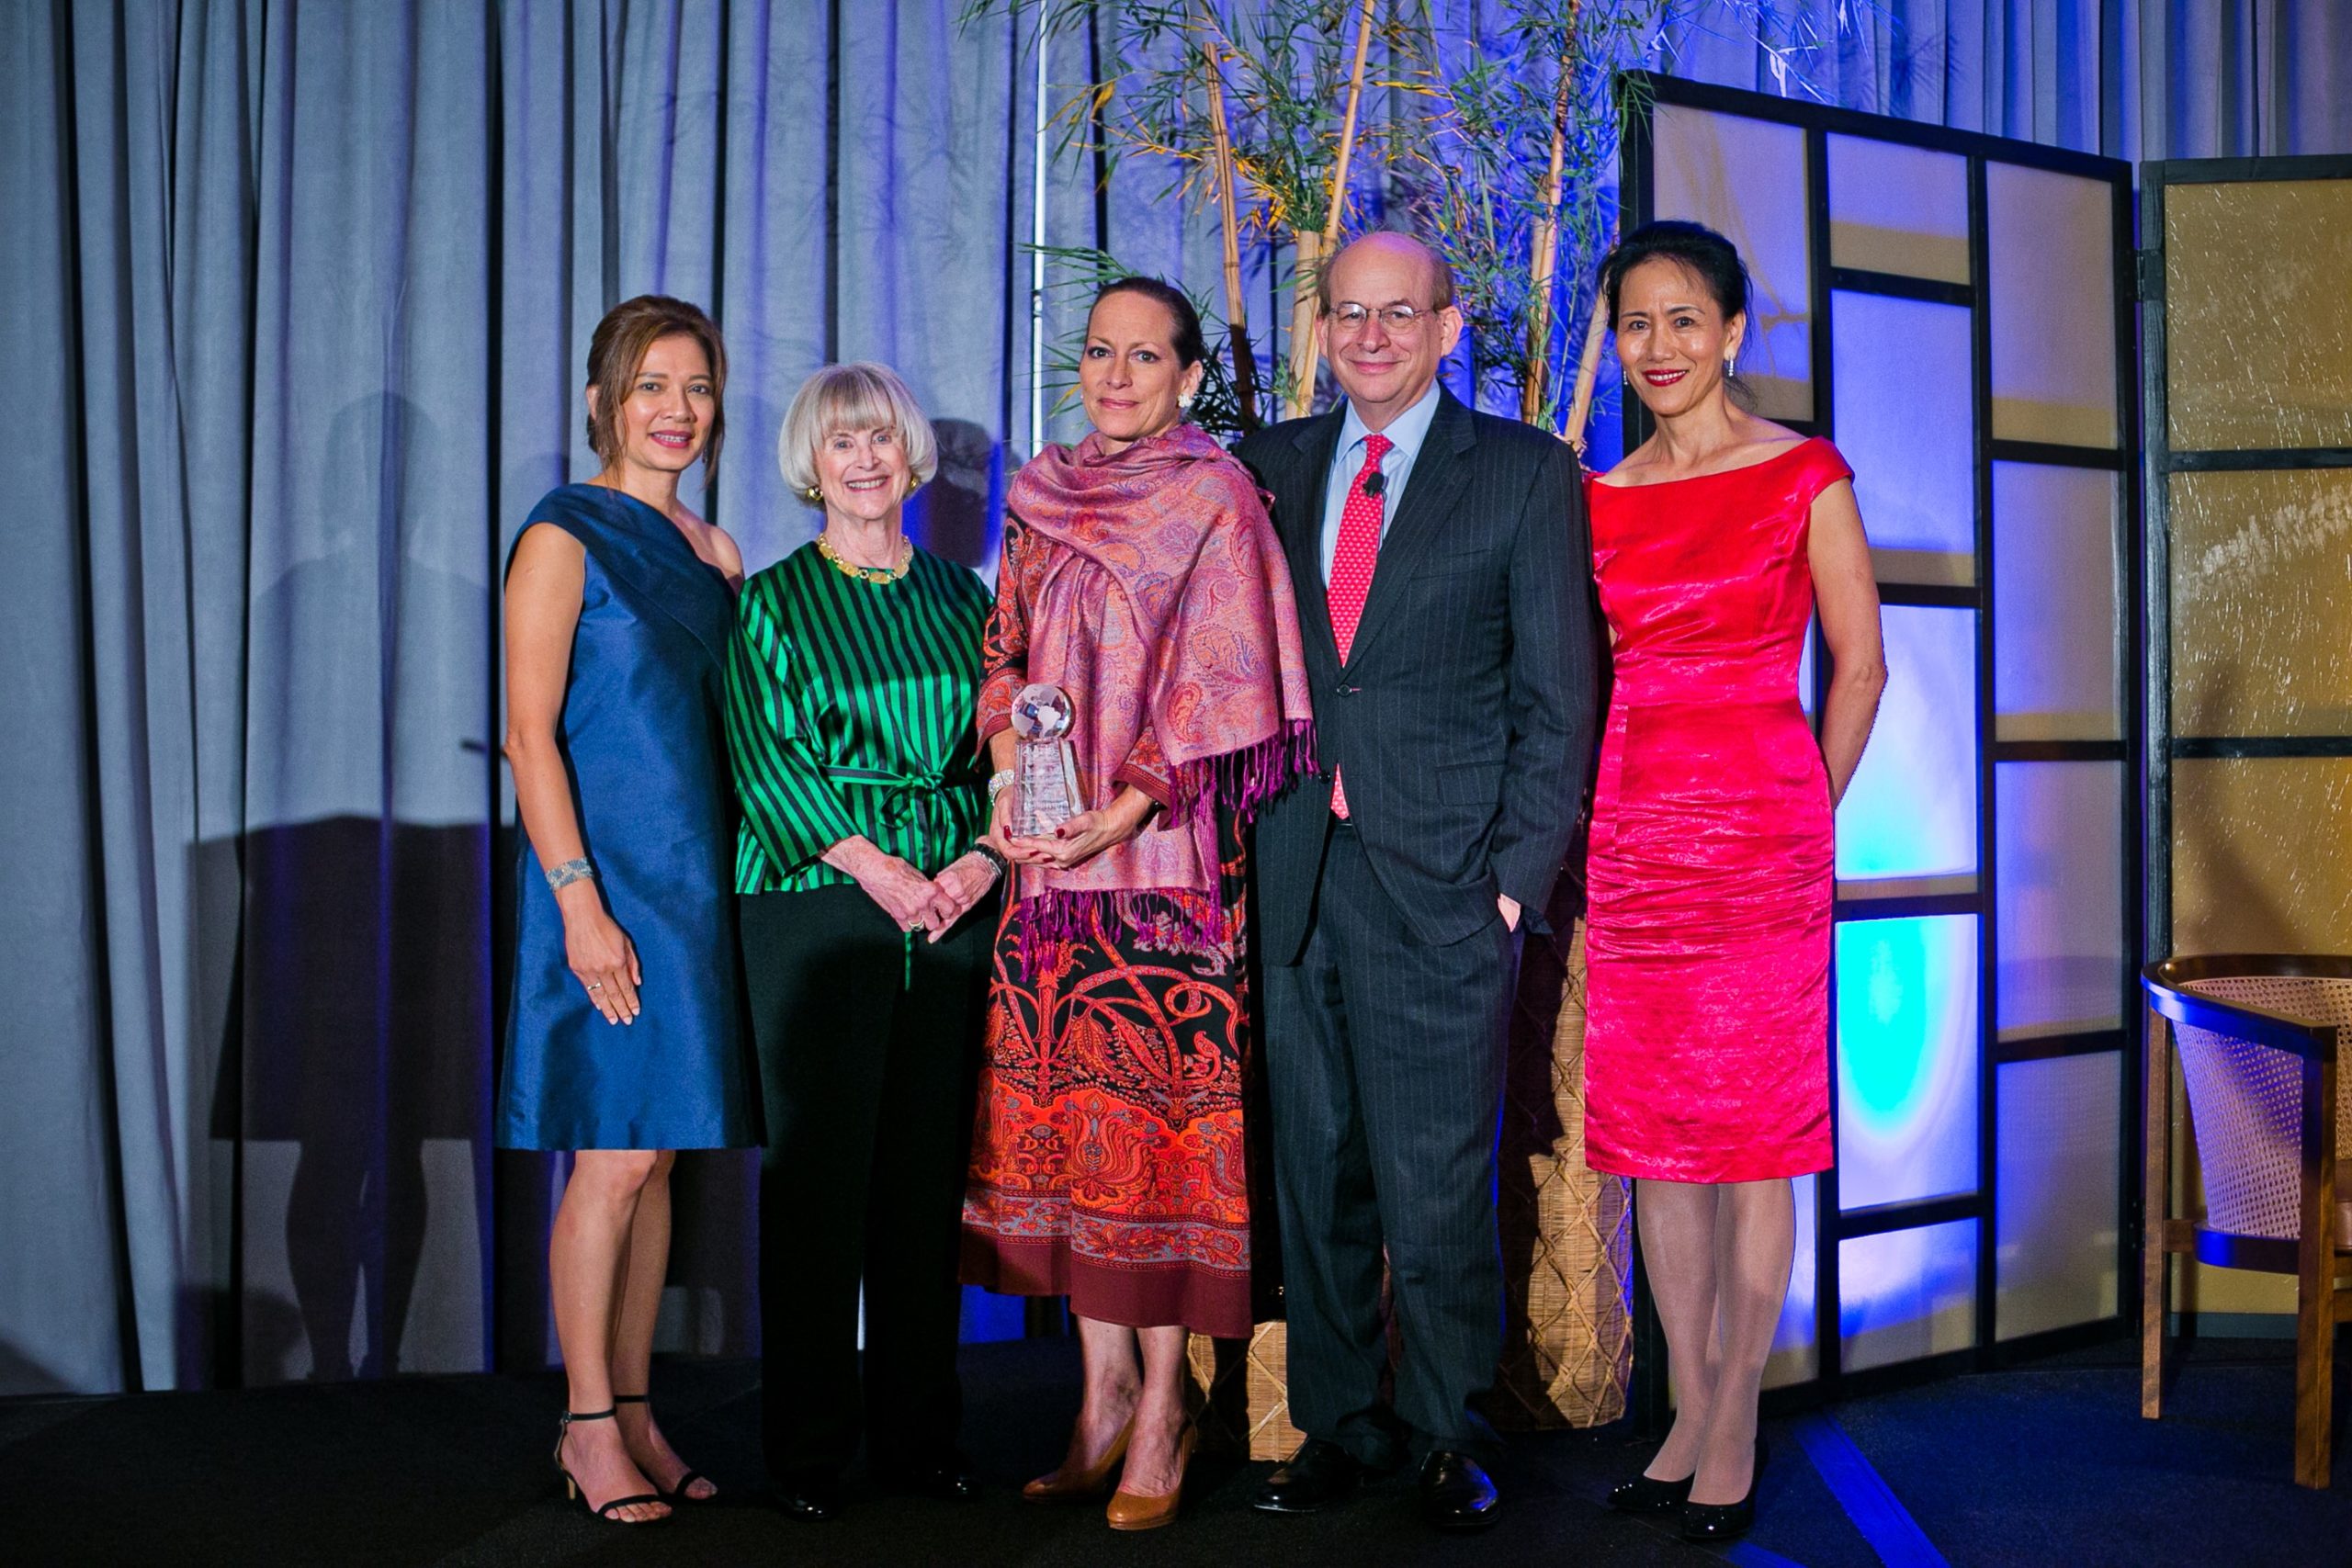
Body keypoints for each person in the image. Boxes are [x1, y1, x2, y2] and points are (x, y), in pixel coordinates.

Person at [1233, 231, 1597, 1533]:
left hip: (1444, 880)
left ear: (1451, 326)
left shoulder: (1523, 473)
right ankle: (1343, 1419)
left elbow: (1562, 697)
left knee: (1441, 1177)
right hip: (1294, 870)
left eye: (1400, 313)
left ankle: (1446, 1425)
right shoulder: (1264, 469)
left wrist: (1512, 879)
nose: (1373, 335)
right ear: (1322, 329)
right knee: (1314, 1167)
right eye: (1348, 314)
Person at [960, 276, 1315, 1533]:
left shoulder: (1211, 497)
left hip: (1162, 879)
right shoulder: (1043, 493)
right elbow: (1003, 656)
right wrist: (1007, 755)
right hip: (1048, 882)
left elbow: (1230, 684)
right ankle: (1097, 1393)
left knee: (1163, 1142)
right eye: (1099, 352)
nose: (1116, 375)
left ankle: (1163, 1403)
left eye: (1144, 356)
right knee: (1065, 1140)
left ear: (1185, 375)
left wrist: (1136, 795)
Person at [1582, 220, 1884, 1545]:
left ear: (1733, 331)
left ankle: (1738, 1416)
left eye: (1684, 320)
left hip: (1764, 825)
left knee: (1757, 1137)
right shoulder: (1598, 493)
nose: (1659, 347)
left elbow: (1862, 664)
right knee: (1656, 1140)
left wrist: (1804, 809)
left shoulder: (1804, 472)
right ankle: (1688, 1404)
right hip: (1635, 826)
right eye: (1636, 323)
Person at [499, 294, 759, 1525]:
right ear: (604, 396)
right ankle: (586, 1423)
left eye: (697, 387)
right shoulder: (563, 534)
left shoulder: (716, 551)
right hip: (602, 883)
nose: (676, 410)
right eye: (651, 384)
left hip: (694, 885)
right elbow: (526, 735)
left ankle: (641, 1412)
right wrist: (578, 904)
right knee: (612, 1157)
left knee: (658, 1162)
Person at [725, 363, 999, 1522]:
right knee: (817, 1188)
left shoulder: (965, 599)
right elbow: (760, 755)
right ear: (811, 463)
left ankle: (919, 1440)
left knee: (923, 1183)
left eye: (881, 438)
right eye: (842, 443)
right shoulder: (771, 600)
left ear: (909, 455)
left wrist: (982, 859)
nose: (867, 460)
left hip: (952, 897)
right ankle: (805, 1455)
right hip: (815, 896)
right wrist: (876, 867)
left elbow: (1010, 748)